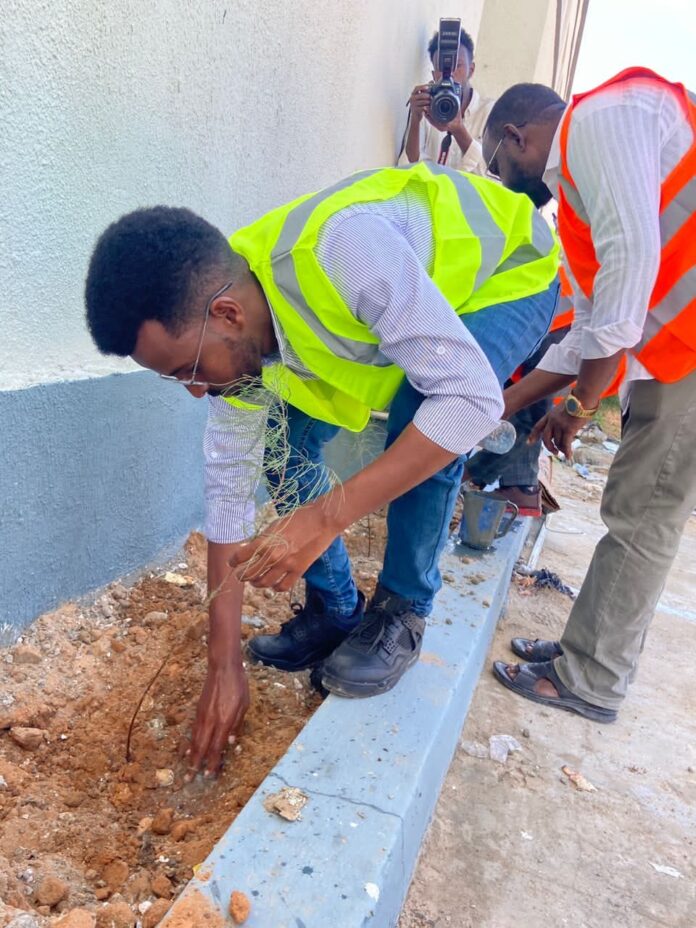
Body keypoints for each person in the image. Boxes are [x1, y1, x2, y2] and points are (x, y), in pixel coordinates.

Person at [85, 163, 559, 776]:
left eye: (188, 369)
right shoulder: (240, 330)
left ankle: (402, 613)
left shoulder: (344, 252)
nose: (196, 392)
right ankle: (338, 608)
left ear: (227, 314)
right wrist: (223, 665)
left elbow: (468, 403)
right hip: (413, 303)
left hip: (507, 271)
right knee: (285, 445)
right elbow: (228, 494)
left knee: (429, 409)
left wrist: (327, 515)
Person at [481, 68, 696, 722]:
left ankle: (592, 679)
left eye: (496, 165)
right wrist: (500, 406)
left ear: (517, 137)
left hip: (687, 353)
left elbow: (628, 285)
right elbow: (585, 335)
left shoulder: (602, 122)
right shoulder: (581, 182)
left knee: (643, 515)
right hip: (674, 352)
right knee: (632, 509)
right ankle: (583, 654)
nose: (503, 182)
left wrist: (578, 407)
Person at [399, 26, 494, 173]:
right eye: (441, 67)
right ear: (433, 74)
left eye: (458, 66)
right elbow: (406, 168)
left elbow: (490, 175)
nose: (449, 74)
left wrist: (458, 129)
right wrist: (415, 120)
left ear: (471, 69)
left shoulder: (490, 113)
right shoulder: (426, 104)